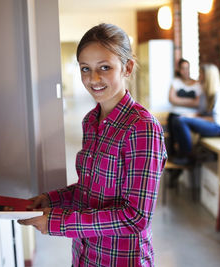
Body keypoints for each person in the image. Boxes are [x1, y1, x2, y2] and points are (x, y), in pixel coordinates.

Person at [18, 23, 167, 267]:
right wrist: (50, 200)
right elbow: (90, 191)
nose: (93, 79)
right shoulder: (91, 121)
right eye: (85, 68)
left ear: (127, 67)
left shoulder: (141, 128)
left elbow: (136, 217)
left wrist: (57, 222)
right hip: (85, 255)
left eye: (104, 67)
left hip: (120, 259)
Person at [170, 63, 220, 165]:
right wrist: (190, 116)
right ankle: (180, 153)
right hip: (209, 123)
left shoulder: (219, 93)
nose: (199, 77)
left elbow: (215, 120)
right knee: (177, 118)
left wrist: (192, 117)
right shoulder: (204, 93)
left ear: (208, 77)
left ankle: (187, 157)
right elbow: (201, 113)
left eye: (201, 74)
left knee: (181, 121)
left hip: (217, 127)